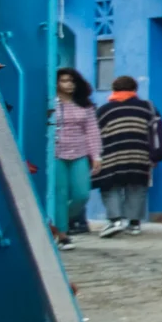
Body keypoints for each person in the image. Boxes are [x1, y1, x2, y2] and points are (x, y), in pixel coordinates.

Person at [93, 76, 162, 237]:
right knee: (137, 186)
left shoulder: (104, 110)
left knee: (110, 186)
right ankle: (134, 224)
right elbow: (157, 132)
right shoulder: (148, 107)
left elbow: (95, 134)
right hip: (140, 154)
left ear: (114, 90)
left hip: (112, 154)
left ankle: (116, 220)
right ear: (135, 90)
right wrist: (155, 156)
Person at [50, 67, 99, 245]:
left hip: (79, 153)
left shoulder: (85, 105)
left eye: (71, 81)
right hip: (56, 155)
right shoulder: (51, 103)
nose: (68, 84)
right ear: (56, 83)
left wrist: (96, 156)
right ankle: (62, 234)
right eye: (64, 81)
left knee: (82, 194)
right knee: (60, 194)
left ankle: (58, 220)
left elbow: (92, 132)